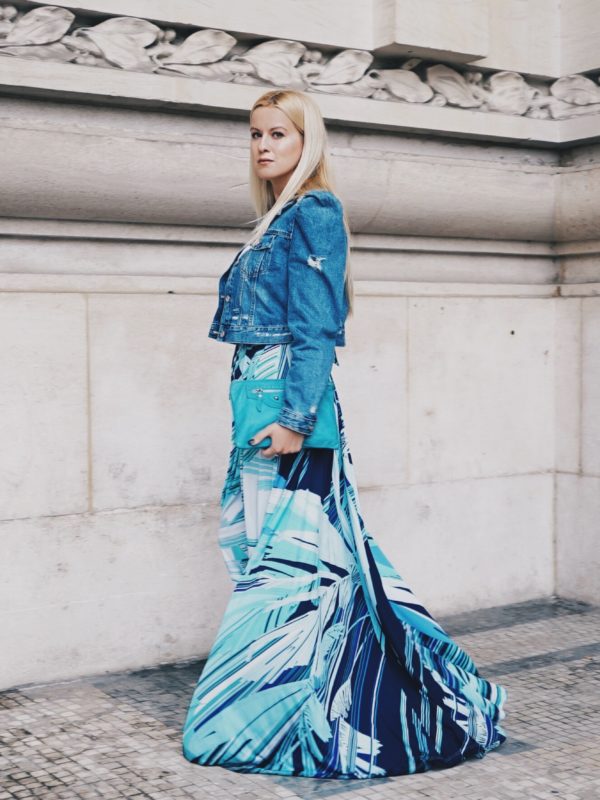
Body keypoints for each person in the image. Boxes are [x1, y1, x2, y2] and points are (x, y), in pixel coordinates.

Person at [181, 88, 508, 779]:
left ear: (309, 143)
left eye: (280, 134)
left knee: (298, 568)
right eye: (256, 134)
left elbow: (317, 329)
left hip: (286, 419)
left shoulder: (315, 213)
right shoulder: (274, 218)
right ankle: (303, 704)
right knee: (296, 565)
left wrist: (295, 422)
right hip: (261, 411)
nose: (264, 145)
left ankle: (291, 717)